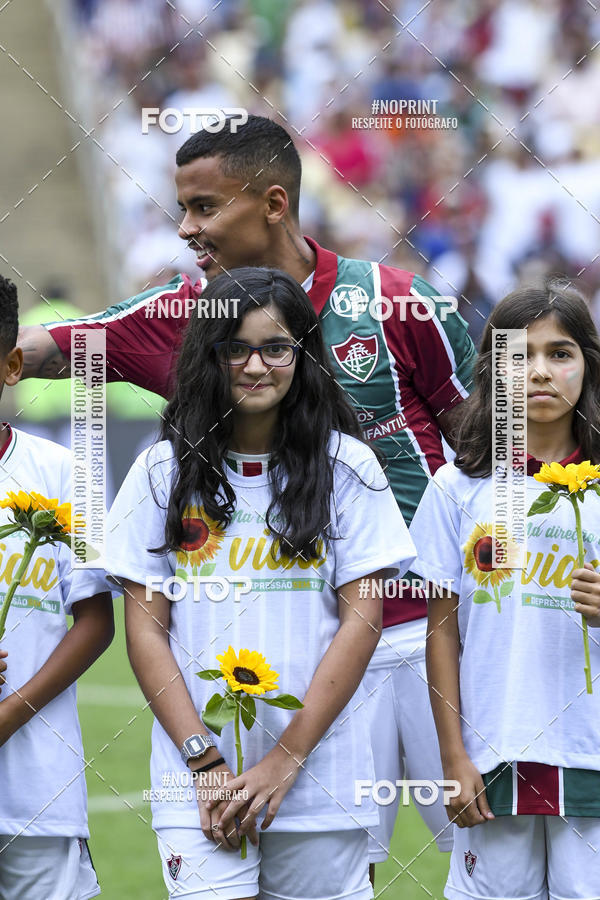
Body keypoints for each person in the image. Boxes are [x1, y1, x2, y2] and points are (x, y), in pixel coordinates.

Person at [19, 113, 477, 864]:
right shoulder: (179, 315)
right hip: (306, 654)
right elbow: (38, 350)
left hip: (437, 638)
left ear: (273, 203)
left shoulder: (397, 302)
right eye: (182, 208)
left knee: (485, 859)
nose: (186, 229)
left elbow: (497, 451)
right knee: (338, 869)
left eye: (204, 207)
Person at [105, 268, 417, 899]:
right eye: (236, 348)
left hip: (322, 776)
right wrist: (204, 760)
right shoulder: (160, 471)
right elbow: (145, 631)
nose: (255, 366)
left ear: (302, 354)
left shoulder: (349, 467)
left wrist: (286, 759)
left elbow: (361, 623)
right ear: (209, 354)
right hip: (198, 781)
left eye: (276, 348)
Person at [409, 278, 600, 900]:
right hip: (492, 750)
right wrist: (452, 757)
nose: (540, 371)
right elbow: (441, 633)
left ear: (587, 366)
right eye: (521, 355)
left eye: (560, 353)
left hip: (591, 750)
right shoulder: (456, 487)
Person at [0, 275, 115, 900]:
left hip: (37, 789)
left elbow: (95, 621)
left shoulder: (71, 474)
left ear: (12, 365)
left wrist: (9, 714)